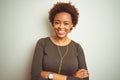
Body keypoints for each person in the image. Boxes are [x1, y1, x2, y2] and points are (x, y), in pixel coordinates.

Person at [31, 2, 89, 80]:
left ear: (72, 24)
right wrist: (73, 78)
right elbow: (35, 77)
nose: (61, 27)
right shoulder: (42, 43)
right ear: (52, 23)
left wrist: (49, 75)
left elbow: (85, 78)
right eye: (57, 23)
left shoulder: (77, 48)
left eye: (66, 23)